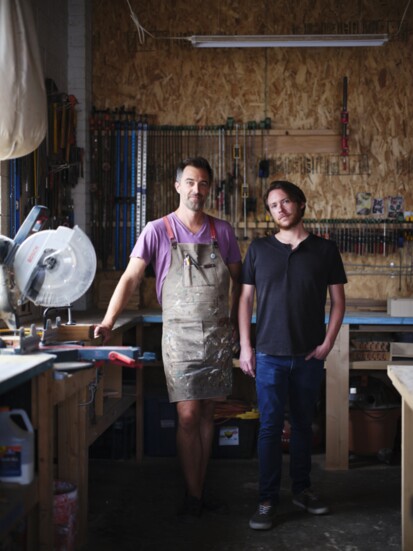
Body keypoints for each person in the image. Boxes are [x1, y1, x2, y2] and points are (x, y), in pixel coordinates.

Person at [94, 156, 242, 517]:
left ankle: (198, 491)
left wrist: (240, 325)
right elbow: (130, 278)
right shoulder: (158, 230)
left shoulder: (222, 231)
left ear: (210, 189)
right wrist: (109, 320)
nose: (197, 190)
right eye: (190, 182)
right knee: (189, 415)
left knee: (208, 412)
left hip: (218, 335)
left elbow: (240, 284)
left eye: (204, 183)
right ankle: (192, 496)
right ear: (177, 186)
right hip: (180, 336)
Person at [238, 180, 347, 531]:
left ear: (300, 204)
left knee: (302, 426)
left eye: (285, 202)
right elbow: (244, 300)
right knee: (269, 428)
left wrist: (328, 342)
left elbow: (338, 300)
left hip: (308, 356)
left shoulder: (325, 250)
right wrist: (246, 346)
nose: (280, 209)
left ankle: (302, 490)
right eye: (273, 205)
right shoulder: (258, 250)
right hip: (268, 354)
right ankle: (267, 500)